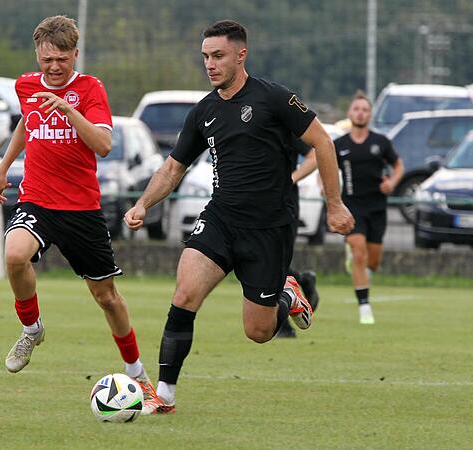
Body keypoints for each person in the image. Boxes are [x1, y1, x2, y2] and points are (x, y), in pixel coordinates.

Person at [124, 20, 354, 414]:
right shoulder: (204, 112)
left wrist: (334, 203)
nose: (210, 65)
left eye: (218, 56)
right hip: (221, 219)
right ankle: (164, 394)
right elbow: (172, 169)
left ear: (241, 55)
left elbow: (323, 141)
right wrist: (144, 204)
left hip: (269, 228)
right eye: (205, 58)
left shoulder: (273, 98)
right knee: (184, 295)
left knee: (259, 332)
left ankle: (288, 293)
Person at [0, 15, 158, 400]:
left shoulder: (90, 89)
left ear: (75, 55)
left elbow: (103, 145)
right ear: (38, 55)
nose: (53, 67)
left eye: (61, 59)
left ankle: (139, 375)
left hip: (81, 209)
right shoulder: (26, 85)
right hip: (38, 199)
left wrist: (67, 109)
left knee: (107, 298)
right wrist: (2, 168)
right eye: (47, 60)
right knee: (15, 255)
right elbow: (26, 125)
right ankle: (31, 329)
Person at [334, 91, 403, 325]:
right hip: (351, 207)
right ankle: (364, 307)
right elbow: (326, 168)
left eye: (364, 109)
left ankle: (355, 263)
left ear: (370, 114)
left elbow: (398, 165)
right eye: (356, 109)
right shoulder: (339, 144)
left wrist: (392, 182)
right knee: (359, 252)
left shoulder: (380, 142)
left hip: (377, 207)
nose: (360, 113)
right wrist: (326, 189)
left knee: (372, 261)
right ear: (349, 113)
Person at [276, 137, 321, 338]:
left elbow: (314, 155)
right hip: (253, 204)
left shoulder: (286, 126)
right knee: (256, 260)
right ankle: (303, 280)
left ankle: (283, 325)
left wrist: (290, 179)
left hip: (283, 204)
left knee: (277, 263)